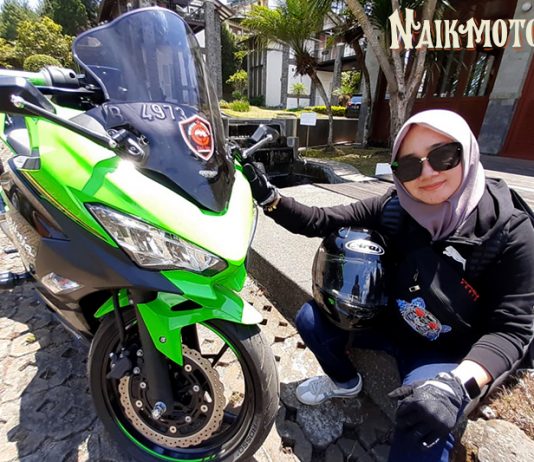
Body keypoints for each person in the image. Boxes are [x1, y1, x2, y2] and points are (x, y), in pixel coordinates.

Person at [243, 109, 534, 462]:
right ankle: (345, 382)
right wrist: (270, 198)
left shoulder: (508, 231)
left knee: (423, 427)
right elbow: (321, 220)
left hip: (442, 351)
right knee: (311, 318)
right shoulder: (396, 206)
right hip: (389, 319)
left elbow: (513, 330)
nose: (427, 173)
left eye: (444, 156)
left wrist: (457, 384)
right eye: (409, 166)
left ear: (468, 152)